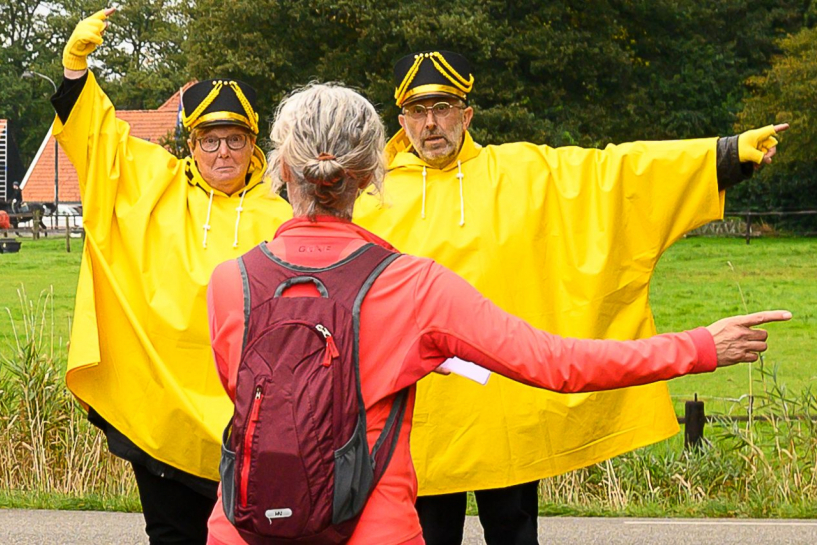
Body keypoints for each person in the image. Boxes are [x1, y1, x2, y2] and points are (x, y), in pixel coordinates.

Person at [205, 82, 791, 545]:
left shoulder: (230, 283)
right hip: (375, 527)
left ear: (281, 169)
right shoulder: (414, 285)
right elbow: (557, 363)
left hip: (243, 526)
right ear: (368, 175)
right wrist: (701, 346)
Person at [52, 9, 291, 544]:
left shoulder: (282, 211)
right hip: (161, 409)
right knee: (170, 535)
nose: (223, 151)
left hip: (253, 422)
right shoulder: (154, 185)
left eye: (235, 139)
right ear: (191, 143)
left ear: (254, 142)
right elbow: (98, 145)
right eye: (210, 139)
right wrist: (75, 71)